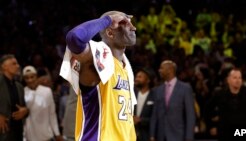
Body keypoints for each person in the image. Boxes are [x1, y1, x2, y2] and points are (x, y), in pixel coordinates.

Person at [59, 10, 137, 141]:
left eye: (131, 23)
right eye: (124, 23)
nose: (133, 27)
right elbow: (74, 38)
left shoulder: (126, 68)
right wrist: (108, 20)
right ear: (110, 32)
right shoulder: (97, 61)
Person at [150, 60, 196, 141]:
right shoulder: (158, 90)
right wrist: (152, 135)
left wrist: (189, 137)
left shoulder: (185, 88)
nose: (159, 70)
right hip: (161, 135)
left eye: (161, 68)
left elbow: (190, 114)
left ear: (170, 70)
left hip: (178, 135)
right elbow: (154, 114)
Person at [205, 68, 246, 141]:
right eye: (235, 78)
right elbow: (207, 109)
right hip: (225, 133)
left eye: (240, 78)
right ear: (228, 80)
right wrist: (211, 126)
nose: (238, 80)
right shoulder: (220, 94)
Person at [22, 65, 62, 141]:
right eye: (27, 78)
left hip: (46, 135)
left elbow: (52, 114)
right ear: (24, 79)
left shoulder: (47, 91)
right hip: (30, 136)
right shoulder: (22, 92)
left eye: (32, 77)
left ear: (36, 76)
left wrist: (57, 133)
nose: (30, 80)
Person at [0, 54, 29, 141]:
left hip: (17, 132)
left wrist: (25, 111)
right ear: (4, 66)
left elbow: (24, 107)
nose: (18, 66)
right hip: (2, 133)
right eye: (14, 63)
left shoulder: (19, 86)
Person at [134, 68, 156, 141]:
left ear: (148, 80)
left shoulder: (155, 96)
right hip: (132, 134)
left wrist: (141, 120)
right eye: (136, 77)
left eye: (140, 77)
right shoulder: (132, 94)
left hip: (147, 135)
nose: (136, 79)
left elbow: (156, 118)